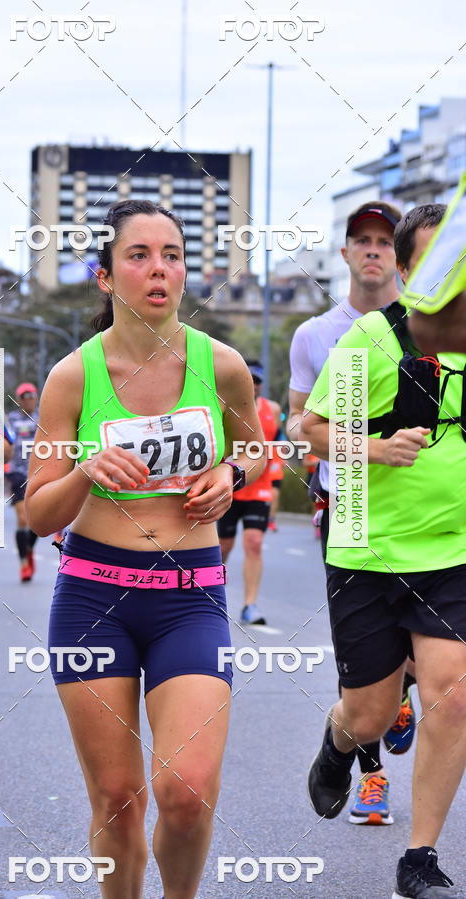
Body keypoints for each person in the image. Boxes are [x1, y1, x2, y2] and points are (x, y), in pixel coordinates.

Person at [25, 199, 264, 899]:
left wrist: (231, 473)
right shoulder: (74, 376)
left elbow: (254, 447)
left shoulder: (222, 366)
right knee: (117, 798)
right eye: (139, 255)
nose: (159, 269)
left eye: (172, 255)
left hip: (190, 599)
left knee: (186, 791)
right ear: (104, 277)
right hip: (94, 601)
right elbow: (38, 512)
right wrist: (85, 471)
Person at [303, 203, 466, 898]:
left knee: (453, 697)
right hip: (367, 550)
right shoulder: (370, 337)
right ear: (404, 269)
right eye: (433, 262)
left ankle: (418, 857)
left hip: (453, 552)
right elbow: (313, 428)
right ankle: (340, 741)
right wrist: (375, 447)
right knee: (370, 713)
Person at [288, 201, 417, 827]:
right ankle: (371, 776)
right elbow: (299, 421)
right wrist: (340, 446)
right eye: (361, 240)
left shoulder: (432, 330)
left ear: (404, 257)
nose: (372, 250)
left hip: (425, 512)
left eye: (384, 241)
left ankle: (399, 691)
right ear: (344, 253)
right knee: (367, 663)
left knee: (415, 661)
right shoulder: (317, 334)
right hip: (350, 507)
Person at [217, 360, 280, 624]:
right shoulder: (223, 403)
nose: (253, 385)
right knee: (223, 547)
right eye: (250, 380)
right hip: (230, 486)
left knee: (254, 543)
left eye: (257, 381)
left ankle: (250, 605)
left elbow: (276, 447)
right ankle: (210, 595)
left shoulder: (273, 410)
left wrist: (276, 481)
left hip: (259, 487)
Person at [7, 383, 39, 581]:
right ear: (18, 400)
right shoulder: (11, 419)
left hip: (39, 472)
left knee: (36, 519)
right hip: (17, 472)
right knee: (22, 518)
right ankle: (24, 563)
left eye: (31, 396)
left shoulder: (43, 417)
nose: (28, 400)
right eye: (24, 397)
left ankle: (28, 548)